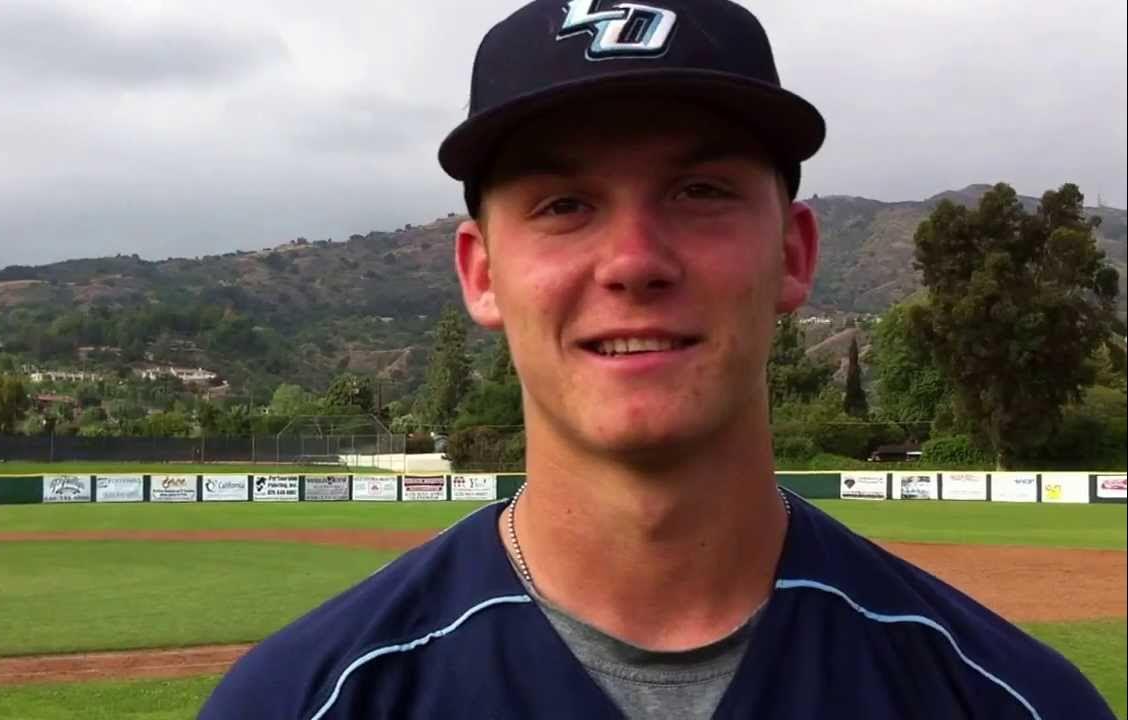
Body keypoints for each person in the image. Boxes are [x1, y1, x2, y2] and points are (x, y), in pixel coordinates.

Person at [201, 1, 1114, 717]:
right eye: (563, 204)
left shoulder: (1012, 700)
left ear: (793, 255)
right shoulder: (302, 701)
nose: (634, 261)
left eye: (700, 190)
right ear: (482, 275)